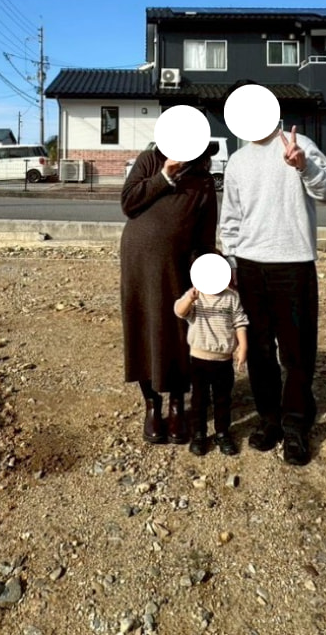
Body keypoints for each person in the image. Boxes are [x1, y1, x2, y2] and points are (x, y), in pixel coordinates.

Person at [220, 118, 326, 466]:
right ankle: (270, 418)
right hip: (249, 266)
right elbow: (230, 216)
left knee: (297, 351)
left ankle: (296, 425)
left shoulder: (297, 144)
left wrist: (303, 165)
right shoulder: (238, 161)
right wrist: (230, 262)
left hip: (294, 263)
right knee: (258, 350)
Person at [120, 142, 220, 445]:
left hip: (180, 265)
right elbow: (129, 202)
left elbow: (205, 235)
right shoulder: (149, 160)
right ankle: (152, 405)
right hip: (138, 262)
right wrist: (164, 176)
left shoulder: (203, 181)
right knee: (143, 324)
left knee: (178, 330)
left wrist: (206, 272)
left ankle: (178, 403)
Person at [173, 282, 249, 456]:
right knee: (199, 399)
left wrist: (243, 347)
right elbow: (179, 311)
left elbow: (240, 322)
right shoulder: (195, 296)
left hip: (223, 360)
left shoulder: (231, 297)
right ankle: (198, 434)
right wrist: (190, 299)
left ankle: (222, 433)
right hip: (199, 359)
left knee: (223, 399)